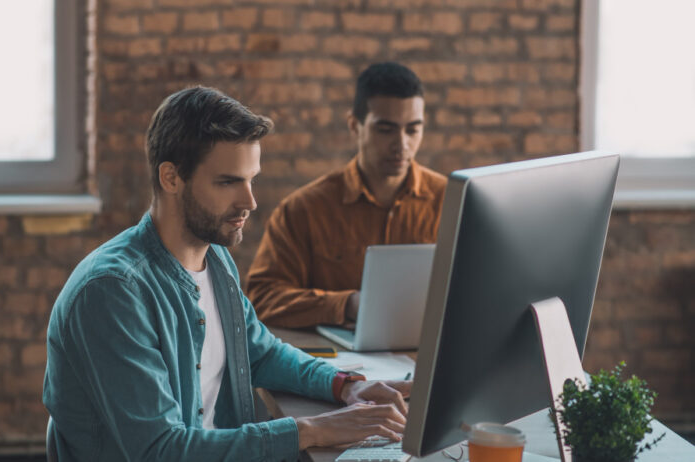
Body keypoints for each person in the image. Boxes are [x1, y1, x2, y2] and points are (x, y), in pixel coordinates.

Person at [42, 86, 411, 462]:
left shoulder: (215, 257)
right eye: (228, 182)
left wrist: (344, 387)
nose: (249, 201)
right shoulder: (112, 292)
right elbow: (160, 450)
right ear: (171, 178)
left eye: (252, 179)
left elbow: (258, 352)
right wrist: (313, 429)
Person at [246, 62, 447, 328]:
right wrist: (347, 305)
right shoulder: (304, 209)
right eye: (385, 129)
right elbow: (262, 297)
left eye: (413, 129)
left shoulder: (450, 201)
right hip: (338, 362)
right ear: (354, 125)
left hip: (426, 358)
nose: (402, 144)